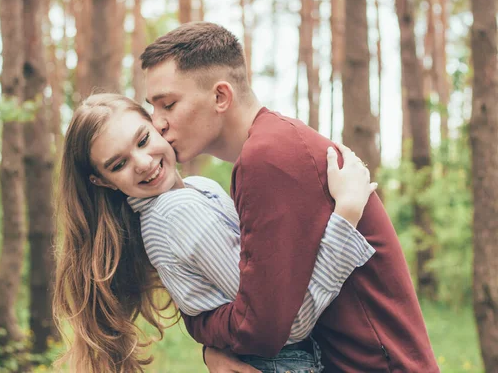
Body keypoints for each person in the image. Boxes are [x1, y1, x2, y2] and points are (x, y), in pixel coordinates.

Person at [140, 21, 440, 372]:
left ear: (221, 96)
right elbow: (262, 311)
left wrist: (199, 325)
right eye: (152, 108)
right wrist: (212, 349)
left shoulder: (269, 157)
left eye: (168, 105)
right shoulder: (270, 148)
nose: (157, 123)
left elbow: (262, 329)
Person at [53, 93, 377, 373]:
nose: (142, 162)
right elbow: (284, 325)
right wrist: (345, 216)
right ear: (103, 182)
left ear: (157, 125)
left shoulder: (198, 188)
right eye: (118, 164)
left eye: (142, 140)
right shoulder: (177, 215)